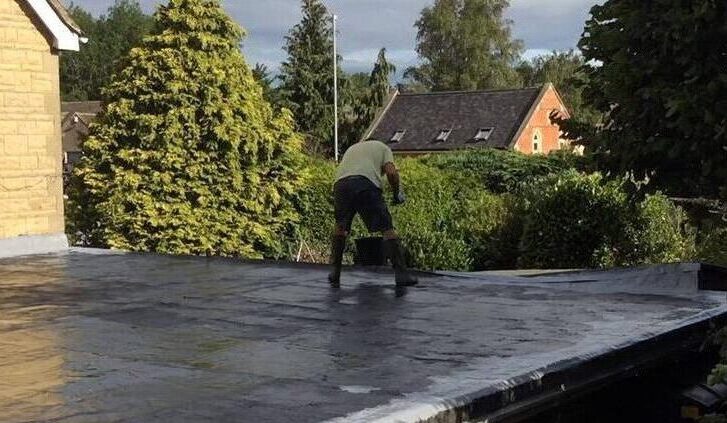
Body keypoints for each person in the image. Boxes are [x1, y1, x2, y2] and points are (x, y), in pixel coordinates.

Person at [328, 139, 418, 288]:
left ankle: (334, 273)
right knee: (387, 229)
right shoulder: (384, 148)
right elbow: (391, 172)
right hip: (365, 184)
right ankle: (402, 274)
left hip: (340, 185)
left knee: (340, 227)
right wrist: (396, 193)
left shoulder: (352, 147)